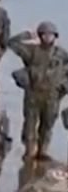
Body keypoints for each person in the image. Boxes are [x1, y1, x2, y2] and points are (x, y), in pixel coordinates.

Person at [11, 21, 68, 160]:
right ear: (40, 35)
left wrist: (64, 87)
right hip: (33, 93)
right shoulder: (31, 51)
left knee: (47, 124)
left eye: (51, 35)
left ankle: (43, 150)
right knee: (30, 123)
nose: (48, 37)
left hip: (53, 95)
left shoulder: (61, 54)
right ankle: (30, 149)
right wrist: (26, 35)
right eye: (45, 34)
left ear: (55, 36)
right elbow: (12, 43)